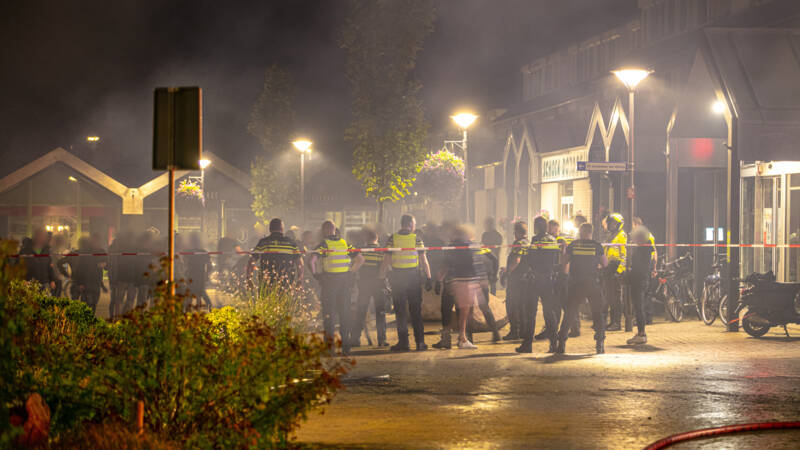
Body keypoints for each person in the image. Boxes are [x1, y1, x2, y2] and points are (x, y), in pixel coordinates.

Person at [309, 220, 364, 355]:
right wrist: (351, 272)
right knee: (344, 313)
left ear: (324, 231)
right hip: (344, 282)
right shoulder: (345, 243)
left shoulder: (323, 244)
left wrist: (316, 275)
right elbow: (361, 259)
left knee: (329, 315)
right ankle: (346, 346)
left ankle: (330, 347)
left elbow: (311, 261)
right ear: (334, 229)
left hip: (329, 282)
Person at [381, 214, 432, 352]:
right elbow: (424, 260)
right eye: (414, 223)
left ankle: (404, 343)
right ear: (410, 224)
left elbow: (386, 260)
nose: (415, 226)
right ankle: (420, 342)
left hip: (397, 278)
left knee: (400, 312)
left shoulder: (393, 238)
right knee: (416, 311)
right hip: (413, 278)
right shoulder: (417, 238)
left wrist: (381, 277)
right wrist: (428, 277)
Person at [558, 222, 608, 354]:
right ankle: (600, 344)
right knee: (598, 313)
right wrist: (596, 266)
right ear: (591, 232)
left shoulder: (573, 245)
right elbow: (605, 263)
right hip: (592, 283)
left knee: (569, 313)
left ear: (580, 232)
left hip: (576, 284)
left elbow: (564, 262)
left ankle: (561, 344)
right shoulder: (597, 246)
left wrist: (565, 274)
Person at [436, 225, 485, 349]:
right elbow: (477, 264)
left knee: (449, 311)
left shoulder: (451, 247)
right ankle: (462, 339)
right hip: (464, 282)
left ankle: (452, 339)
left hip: (452, 283)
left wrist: (439, 280)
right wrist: (481, 280)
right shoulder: (471, 246)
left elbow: (444, 266)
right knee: (464, 311)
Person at [516, 216, 560, 353]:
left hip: (535, 279)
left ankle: (527, 344)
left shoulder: (535, 240)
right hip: (548, 279)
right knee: (549, 312)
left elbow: (530, 258)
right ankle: (554, 344)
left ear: (537, 227)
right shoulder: (553, 240)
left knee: (531, 313)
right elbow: (556, 259)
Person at [353, 228, 389, 347]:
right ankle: (382, 340)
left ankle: (355, 339)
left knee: (361, 311)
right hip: (378, 284)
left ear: (366, 239)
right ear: (377, 238)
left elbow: (356, 265)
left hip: (364, 284)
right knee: (380, 312)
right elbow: (385, 266)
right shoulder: (381, 250)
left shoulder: (361, 250)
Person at [249, 218, 303, 289]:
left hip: (266, 282)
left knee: (266, 299)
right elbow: (299, 263)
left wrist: (249, 278)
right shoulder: (290, 242)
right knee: (285, 300)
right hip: (286, 282)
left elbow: (252, 261)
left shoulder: (264, 242)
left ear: (270, 229)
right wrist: (300, 280)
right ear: (282, 229)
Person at [627, 222, 657, 344]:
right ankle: (641, 332)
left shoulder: (642, 250)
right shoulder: (647, 248)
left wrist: (629, 272)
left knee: (639, 307)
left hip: (639, 280)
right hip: (643, 279)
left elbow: (638, 266)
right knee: (640, 307)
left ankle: (641, 333)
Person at [502, 221, 529, 341]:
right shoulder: (528, 243)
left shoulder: (518, 243)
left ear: (517, 232)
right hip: (526, 279)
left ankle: (514, 331)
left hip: (516, 279)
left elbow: (516, 260)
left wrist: (507, 271)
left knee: (512, 306)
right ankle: (523, 331)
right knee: (522, 306)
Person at [603, 213, 627, 331]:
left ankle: (617, 323)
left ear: (618, 224)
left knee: (616, 298)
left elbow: (624, 255)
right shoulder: (611, 235)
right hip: (608, 268)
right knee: (610, 297)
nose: (610, 225)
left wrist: (619, 271)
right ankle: (612, 321)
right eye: (609, 223)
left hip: (616, 268)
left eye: (612, 223)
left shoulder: (621, 236)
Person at [632, 216, 657, 324]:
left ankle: (646, 317)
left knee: (645, 294)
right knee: (646, 293)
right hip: (647, 265)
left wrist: (654, 267)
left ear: (635, 224)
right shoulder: (646, 234)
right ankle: (647, 317)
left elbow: (654, 252)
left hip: (646, 266)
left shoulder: (645, 236)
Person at [73, 235, 107, 313]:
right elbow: (79, 268)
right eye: (94, 241)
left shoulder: (101, 252)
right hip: (86, 283)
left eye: (98, 242)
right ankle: (84, 322)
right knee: (86, 304)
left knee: (94, 304)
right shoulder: (86, 253)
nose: (96, 243)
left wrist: (105, 264)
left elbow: (107, 265)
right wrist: (80, 283)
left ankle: (90, 321)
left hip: (96, 282)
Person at [185, 232, 213, 311]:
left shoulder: (190, 252)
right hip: (198, 274)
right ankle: (208, 307)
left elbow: (209, 265)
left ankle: (188, 309)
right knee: (199, 291)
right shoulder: (202, 251)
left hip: (195, 274)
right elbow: (210, 265)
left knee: (196, 291)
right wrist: (207, 274)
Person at [481, 217, 503, 295]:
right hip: (486, 260)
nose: (485, 226)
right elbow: (483, 247)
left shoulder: (497, 236)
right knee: (485, 280)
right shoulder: (485, 235)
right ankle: (486, 297)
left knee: (493, 280)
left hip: (493, 260)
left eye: (486, 224)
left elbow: (496, 250)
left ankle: (493, 298)